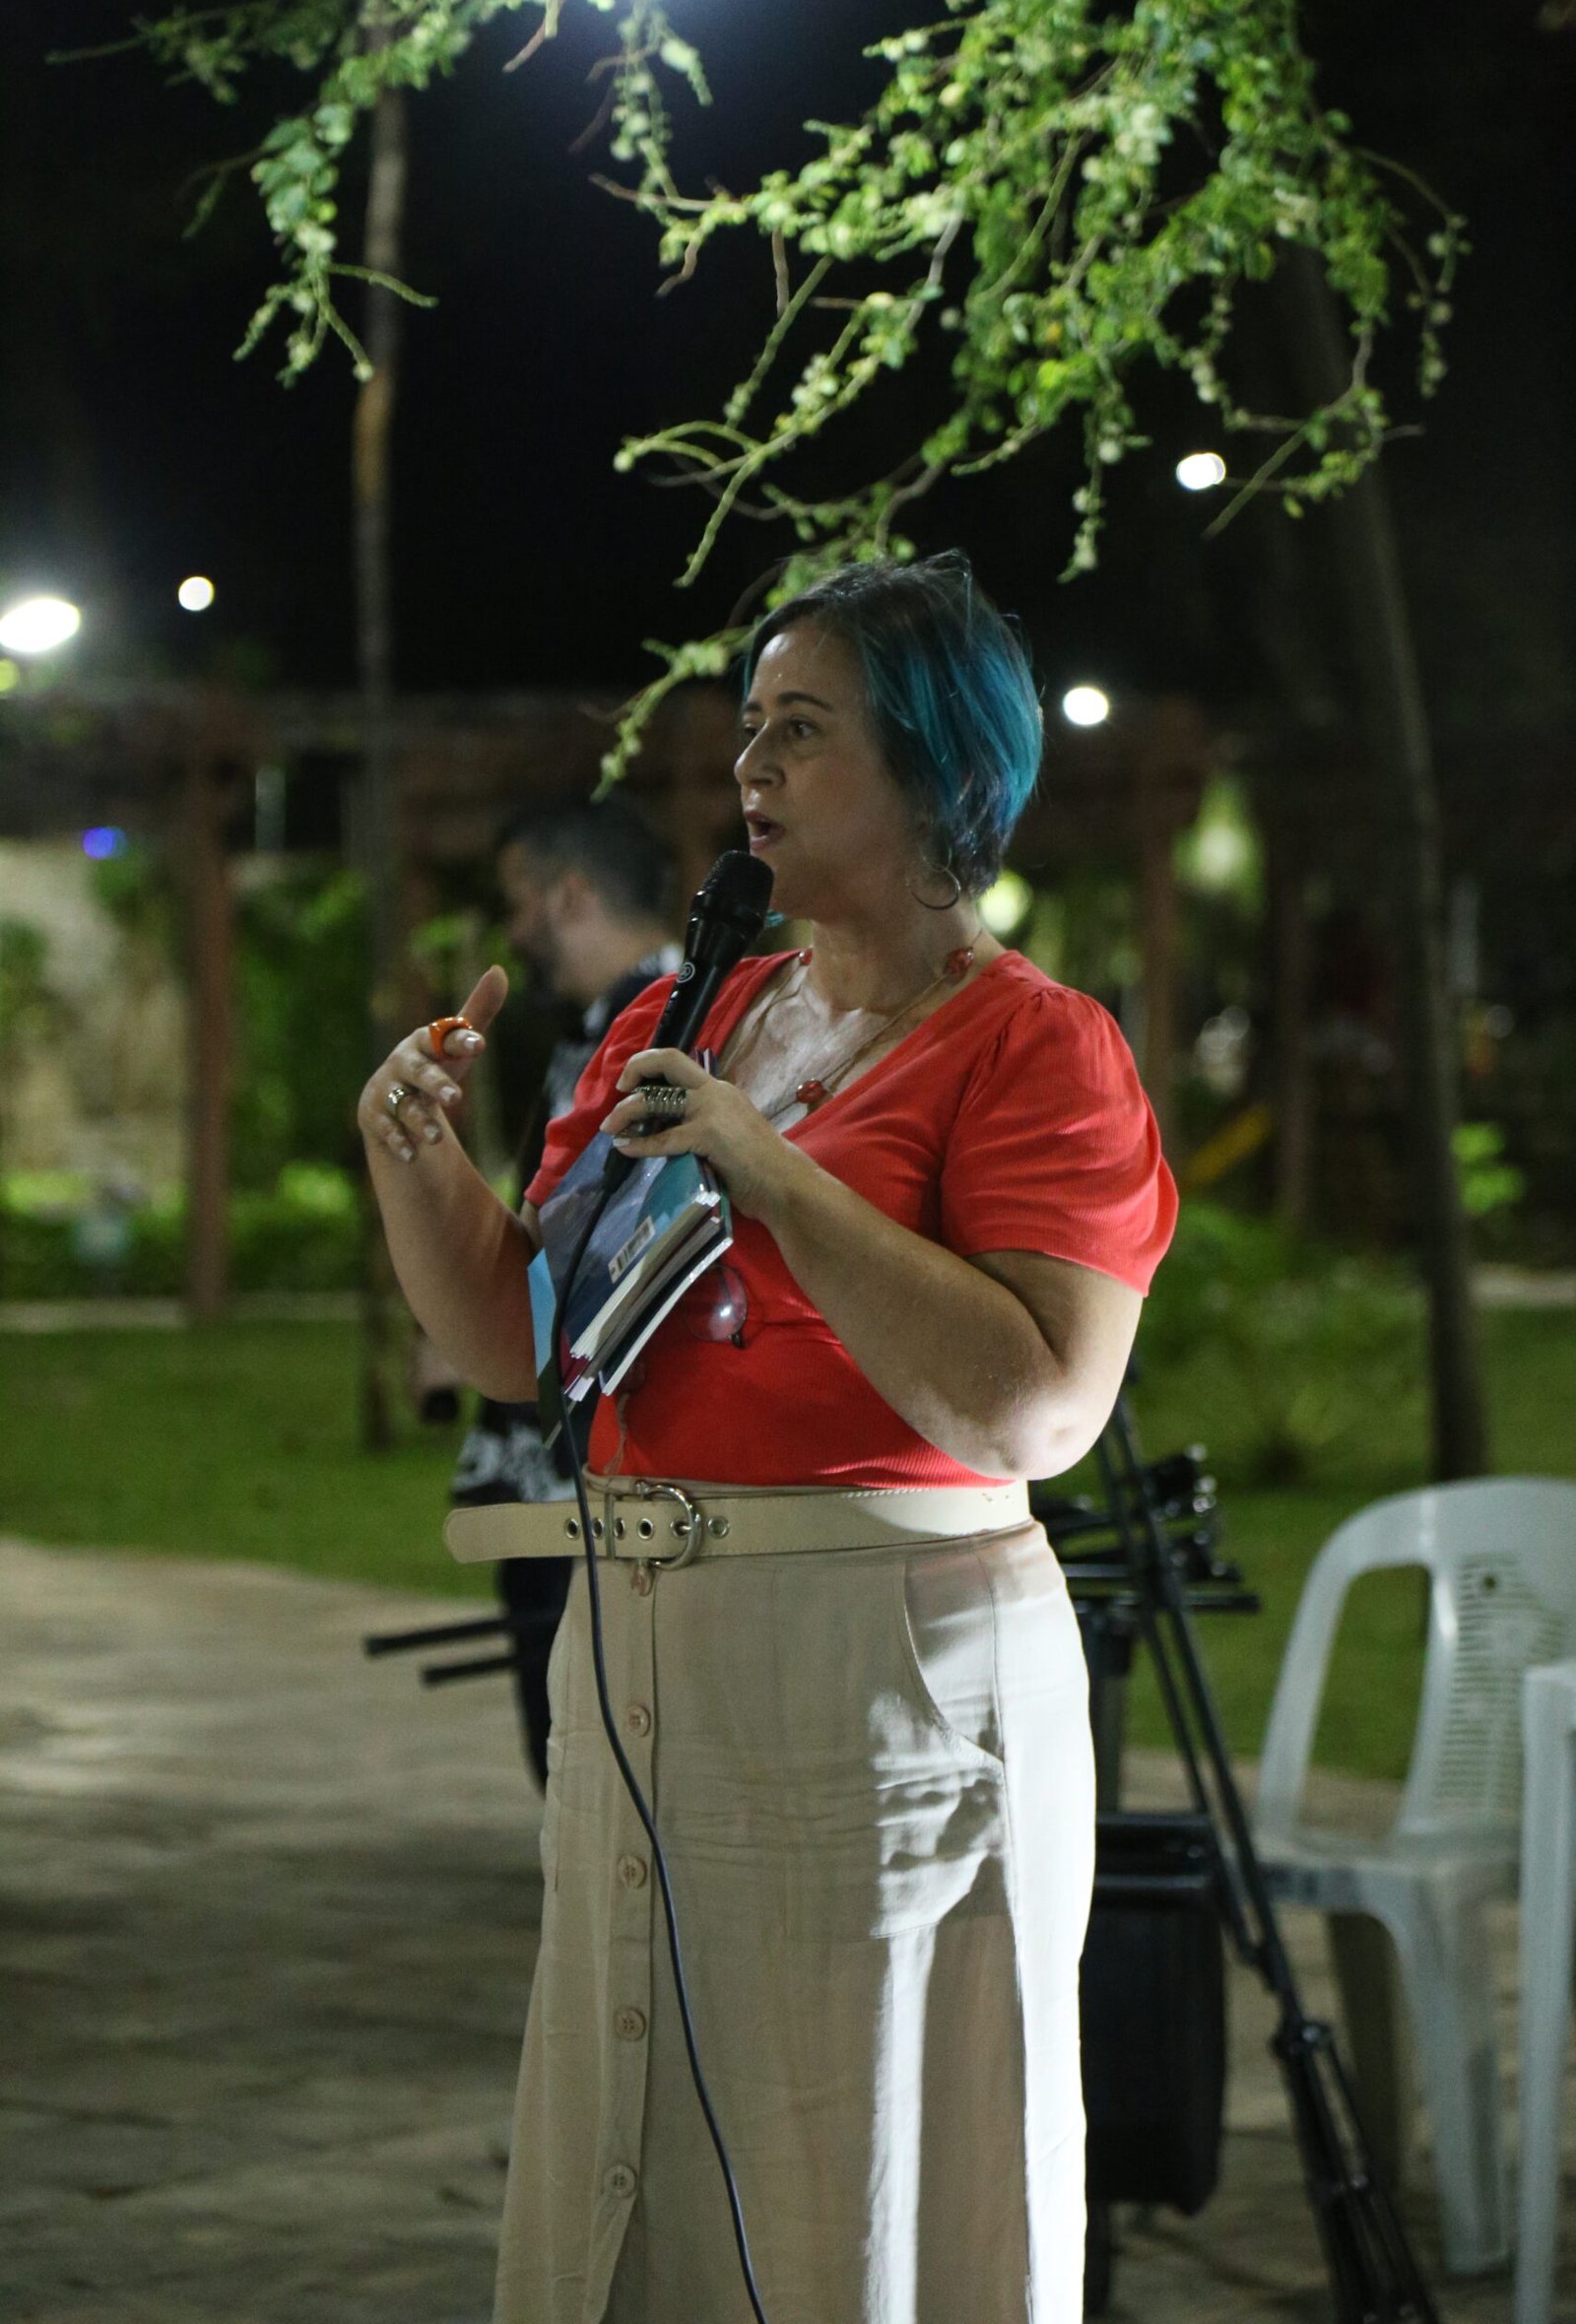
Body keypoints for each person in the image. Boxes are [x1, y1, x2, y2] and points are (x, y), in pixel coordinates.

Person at [358, 554, 1177, 2324]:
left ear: (938, 766)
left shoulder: (1038, 1050)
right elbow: (521, 1342)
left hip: (880, 1682)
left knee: (853, 2173)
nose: (749, 771)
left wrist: (769, 1168)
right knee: (635, 2154)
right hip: (644, 1652)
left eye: (801, 732)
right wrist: (418, 1160)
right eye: (749, 730)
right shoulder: (692, 1016)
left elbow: (1041, 1404)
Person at [447, 797, 678, 1785]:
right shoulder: (610, 1018)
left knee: (589, 1724)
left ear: (570, 894)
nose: (513, 928)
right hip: (559, 1435)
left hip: (594, 1448)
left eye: (518, 900)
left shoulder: (663, 1021)